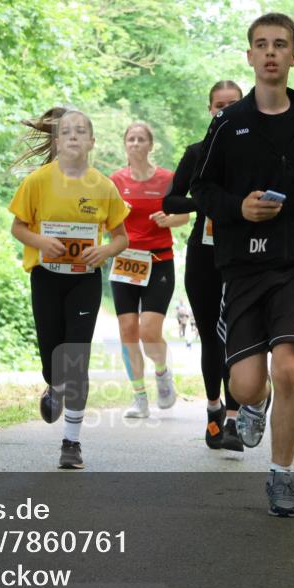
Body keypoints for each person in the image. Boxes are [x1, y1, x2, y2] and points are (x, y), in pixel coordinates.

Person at [192, 12, 294, 517]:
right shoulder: (229, 122)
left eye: (280, 45)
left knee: (288, 368)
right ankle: (253, 406)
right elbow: (200, 188)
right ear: (250, 56)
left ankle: (281, 476)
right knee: (244, 384)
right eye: (261, 45)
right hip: (242, 266)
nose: (270, 53)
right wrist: (238, 207)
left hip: (293, 263)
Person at [9, 108, 130, 470]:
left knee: (75, 357)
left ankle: (71, 442)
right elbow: (18, 228)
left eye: (82, 132)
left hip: (84, 280)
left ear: (92, 141)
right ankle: (53, 385)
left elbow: (121, 237)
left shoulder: (104, 186)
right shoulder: (37, 182)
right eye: (67, 131)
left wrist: (105, 250)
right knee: (52, 355)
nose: (74, 136)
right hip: (46, 276)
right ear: (57, 141)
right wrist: (41, 242)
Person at [163, 79, 244, 450]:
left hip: (245, 254)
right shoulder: (196, 152)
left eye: (233, 104)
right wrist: (206, 203)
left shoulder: (254, 153)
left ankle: (234, 417)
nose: (224, 110)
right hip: (204, 254)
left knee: (239, 338)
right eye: (218, 105)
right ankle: (214, 411)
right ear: (210, 110)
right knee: (211, 336)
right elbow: (171, 202)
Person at [109, 122, 186, 418]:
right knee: (128, 330)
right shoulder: (115, 180)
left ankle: (162, 372)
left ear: (150, 145)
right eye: (131, 139)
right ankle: (139, 397)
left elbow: (184, 215)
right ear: (125, 145)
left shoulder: (167, 178)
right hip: (124, 259)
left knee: (149, 331)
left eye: (141, 139)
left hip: (158, 260)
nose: (136, 143)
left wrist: (169, 218)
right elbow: (104, 218)